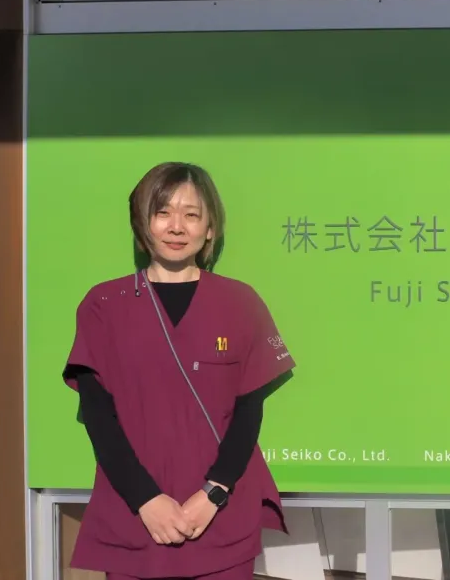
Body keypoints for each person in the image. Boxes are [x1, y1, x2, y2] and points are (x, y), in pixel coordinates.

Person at [62, 162, 296, 580]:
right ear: (142, 223)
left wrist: (214, 493)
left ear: (210, 228)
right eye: (163, 212)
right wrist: (146, 499)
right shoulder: (104, 304)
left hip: (220, 514)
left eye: (191, 214)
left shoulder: (241, 303)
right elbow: (98, 417)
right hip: (135, 517)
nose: (176, 226)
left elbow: (249, 411)